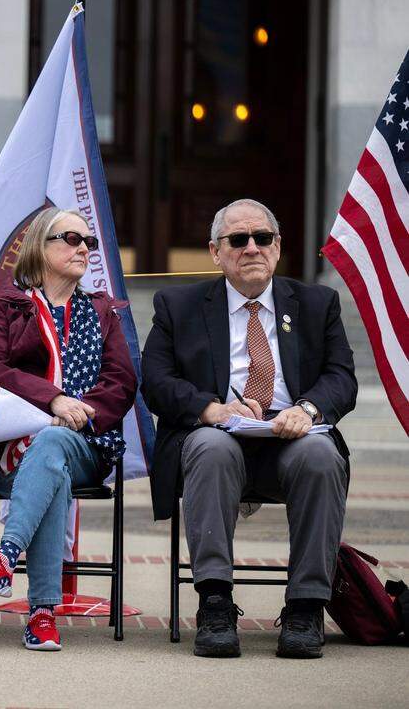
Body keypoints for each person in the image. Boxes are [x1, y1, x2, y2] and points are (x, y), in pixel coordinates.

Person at [141, 199, 356, 659]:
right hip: (217, 440)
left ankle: (306, 607)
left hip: (291, 440)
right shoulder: (178, 306)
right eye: (238, 239)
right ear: (216, 253)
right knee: (211, 448)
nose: (252, 247)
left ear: (278, 246)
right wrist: (213, 410)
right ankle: (215, 603)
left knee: (321, 457)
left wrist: (308, 408)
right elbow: (156, 382)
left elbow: (342, 378)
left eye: (263, 238)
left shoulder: (318, 303)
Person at [0, 208, 137, 651]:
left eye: (88, 243)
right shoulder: (10, 305)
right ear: (39, 247)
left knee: (56, 442)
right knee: (50, 457)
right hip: (13, 449)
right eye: (71, 239)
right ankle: (42, 615)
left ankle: (5, 558)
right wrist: (52, 399)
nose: (83, 248)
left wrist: (80, 412)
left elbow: (122, 381)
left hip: (88, 444)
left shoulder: (101, 311)